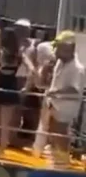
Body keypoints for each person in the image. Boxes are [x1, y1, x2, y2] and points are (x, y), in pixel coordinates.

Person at [35, 31, 85, 167]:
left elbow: (74, 89)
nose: (56, 51)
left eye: (59, 47)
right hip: (55, 103)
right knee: (52, 130)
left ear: (69, 48)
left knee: (61, 131)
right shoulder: (59, 63)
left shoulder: (77, 68)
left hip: (66, 105)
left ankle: (63, 162)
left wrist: (54, 91)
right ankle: (57, 158)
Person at [0, 27, 34, 156]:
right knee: (5, 123)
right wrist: (26, 88)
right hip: (10, 88)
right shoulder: (19, 55)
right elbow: (32, 71)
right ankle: (1, 150)